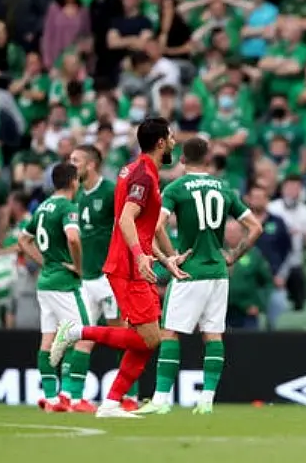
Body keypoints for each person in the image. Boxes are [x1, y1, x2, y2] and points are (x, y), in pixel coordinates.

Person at [49, 117, 190, 419]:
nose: (175, 142)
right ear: (161, 143)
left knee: (147, 339)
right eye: (172, 137)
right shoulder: (143, 176)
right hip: (128, 267)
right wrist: (140, 256)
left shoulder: (136, 170)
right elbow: (126, 219)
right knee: (149, 338)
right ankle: (75, 332)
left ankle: (112, 403)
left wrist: (168, 258)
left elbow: (142, 226)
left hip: (134, 263)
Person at [139, 137, 262, 415]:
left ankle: (160, 400)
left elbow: (157, 227)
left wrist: (170, 258)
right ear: (208, 160)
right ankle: (206, 400)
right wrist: (233, 255)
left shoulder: (176, 188)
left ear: (182, 160)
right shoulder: (225, 188)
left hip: (189, 271)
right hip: (218, 271)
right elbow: (255, 227)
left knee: (170, 333)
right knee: (213, 335)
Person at [16, 163, 90, 413]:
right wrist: (78, 267)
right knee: (82, 336)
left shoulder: (43, 207)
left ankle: (51, 398)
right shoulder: (68, 207)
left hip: (45, 282)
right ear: (72, 182)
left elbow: (23, 240)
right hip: (63, 283)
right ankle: (71, 396)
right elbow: (73, 237)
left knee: (48, 341)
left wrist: (44, 261)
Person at [68, 145, 119, 413]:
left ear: (90, 165)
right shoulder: (73, 195)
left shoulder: (110, 190)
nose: (70, 164)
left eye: (75, 160)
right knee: (83, 336)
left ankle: (126, 396)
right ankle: (76, 399)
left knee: (121, 334)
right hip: (85, 277)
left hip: (109, 277)